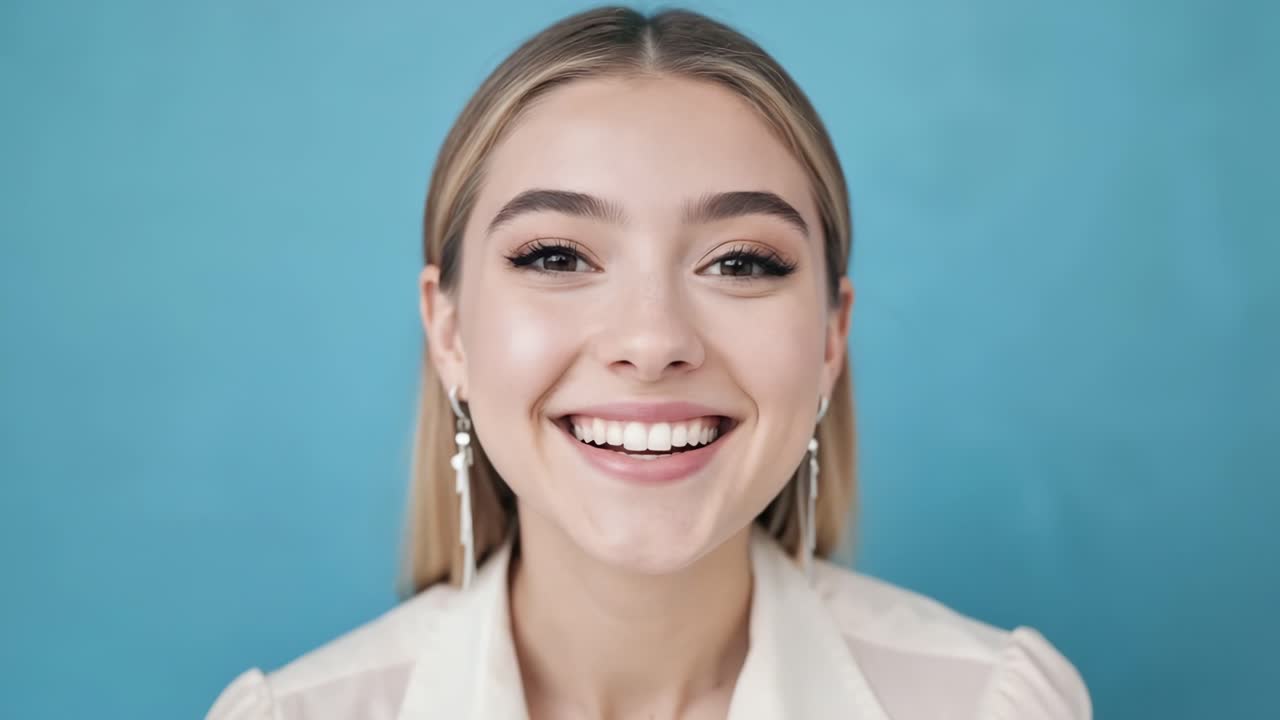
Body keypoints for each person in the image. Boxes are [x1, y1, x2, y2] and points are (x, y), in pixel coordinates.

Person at [206, 6, 1091, 719]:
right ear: (448, 332)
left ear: (830, 339)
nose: (654, 338)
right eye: (557, 257)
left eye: (741, 261)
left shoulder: (991, 705)